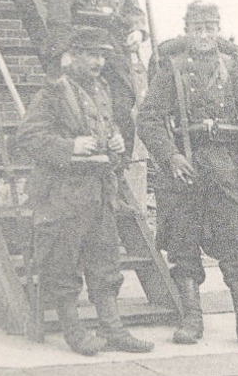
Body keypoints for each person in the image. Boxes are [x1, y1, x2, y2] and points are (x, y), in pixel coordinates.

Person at [14, 26, 155, 356]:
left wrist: (117, 142)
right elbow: (28, 138)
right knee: (62, 264)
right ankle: (73, 330)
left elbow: (106, 129)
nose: (99, 62)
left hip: (99, 191)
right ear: (71, 57)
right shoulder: (52, 93)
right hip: (62, 193)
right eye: (91, 55)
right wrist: (70, 146)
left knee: (105, 262)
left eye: (103, 55)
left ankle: (112, 328)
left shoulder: (102, 89)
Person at [136, 1, 238, 350]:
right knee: (182, 242)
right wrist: (171, 156)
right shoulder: (171, 69)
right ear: (187, 30)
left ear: (219, 28)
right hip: (183, 168)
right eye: (197, 28)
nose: (204, 35)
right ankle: (191, 319)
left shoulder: (234, 67)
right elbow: (147, 118)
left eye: (210, 27)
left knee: (237, 243)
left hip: (226, 164)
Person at [46, 0, 147, 154]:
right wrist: (63, 53)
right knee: (77, 107)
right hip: (81, 48)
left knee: (121, 106)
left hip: (114, 51)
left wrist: (137, 31)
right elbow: (58, 14)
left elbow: (135, 12)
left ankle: (119, 165)